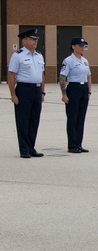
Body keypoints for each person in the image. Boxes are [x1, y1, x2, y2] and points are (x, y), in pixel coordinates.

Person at [8, 28, 46, 158]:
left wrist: (42, 92)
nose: (35, 41)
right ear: (24, 41)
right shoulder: (18, 56)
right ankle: (24, 149)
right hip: (24, 90)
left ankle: (31, 147)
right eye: (32, 39)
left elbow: (42, 74)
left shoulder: (39, 55)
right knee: (23, 120)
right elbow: (11, 75)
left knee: (34, 120)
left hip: (36, 90)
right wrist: (13, 94)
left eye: (36, 39)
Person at [59, 36, 92, 153]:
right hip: (74, 88)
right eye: (80, 45)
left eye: (83, 46)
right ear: (73, 46)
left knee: (81, 117)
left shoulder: (85, 61)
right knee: (72, 117)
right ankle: (72, 145)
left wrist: (89, 91)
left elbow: (88, 76)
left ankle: (79, 143)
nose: (82, 48)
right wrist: (64, 94)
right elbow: (62, 77)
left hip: (83, 89)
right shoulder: (68, 61)